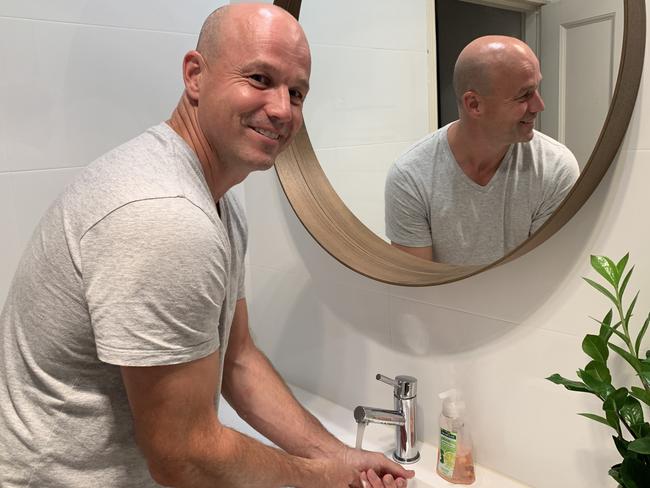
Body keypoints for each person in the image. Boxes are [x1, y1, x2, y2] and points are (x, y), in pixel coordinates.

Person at [0, 5, 414, 488]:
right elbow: (184, 456)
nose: (282, 108)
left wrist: (341, 458)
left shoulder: (216, 200)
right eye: (260, 78)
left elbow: (237, 359)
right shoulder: (166, 216)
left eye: (296, 92)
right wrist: (317, 479)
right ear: (195, 76)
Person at [385, 35, 579, 265]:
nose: (539, 105)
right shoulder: (411, 176)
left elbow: (546, 274)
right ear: (474, 104)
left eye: (537, 89)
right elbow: (416, 283)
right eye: (524, 95)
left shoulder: (556, 168)